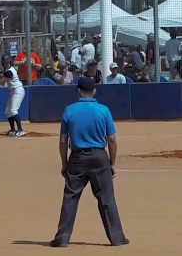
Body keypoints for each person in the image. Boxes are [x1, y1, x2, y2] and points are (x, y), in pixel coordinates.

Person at [50, 77, 129, 247]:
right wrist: (112, 163)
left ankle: (62, 238)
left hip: (77, 158)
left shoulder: (69, 111)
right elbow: (112, 140)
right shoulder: (103, 110)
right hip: (99, 157)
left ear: (78, 91)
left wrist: (64, 163)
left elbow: (63, 141)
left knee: (70, 199)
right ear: (94, 91)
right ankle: (117, 238)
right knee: (107, 199)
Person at [0, 56, 26, 137]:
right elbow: (3, 79)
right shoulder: (7, 71)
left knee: (13, 110)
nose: (5, 64)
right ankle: (13, 129)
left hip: (18, 90)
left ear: (9, 62)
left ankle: (20, 130)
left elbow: (2, 83)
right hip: (12, 91)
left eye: (6, 62)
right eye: (4, 62)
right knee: (8, 112)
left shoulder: (10, 71)